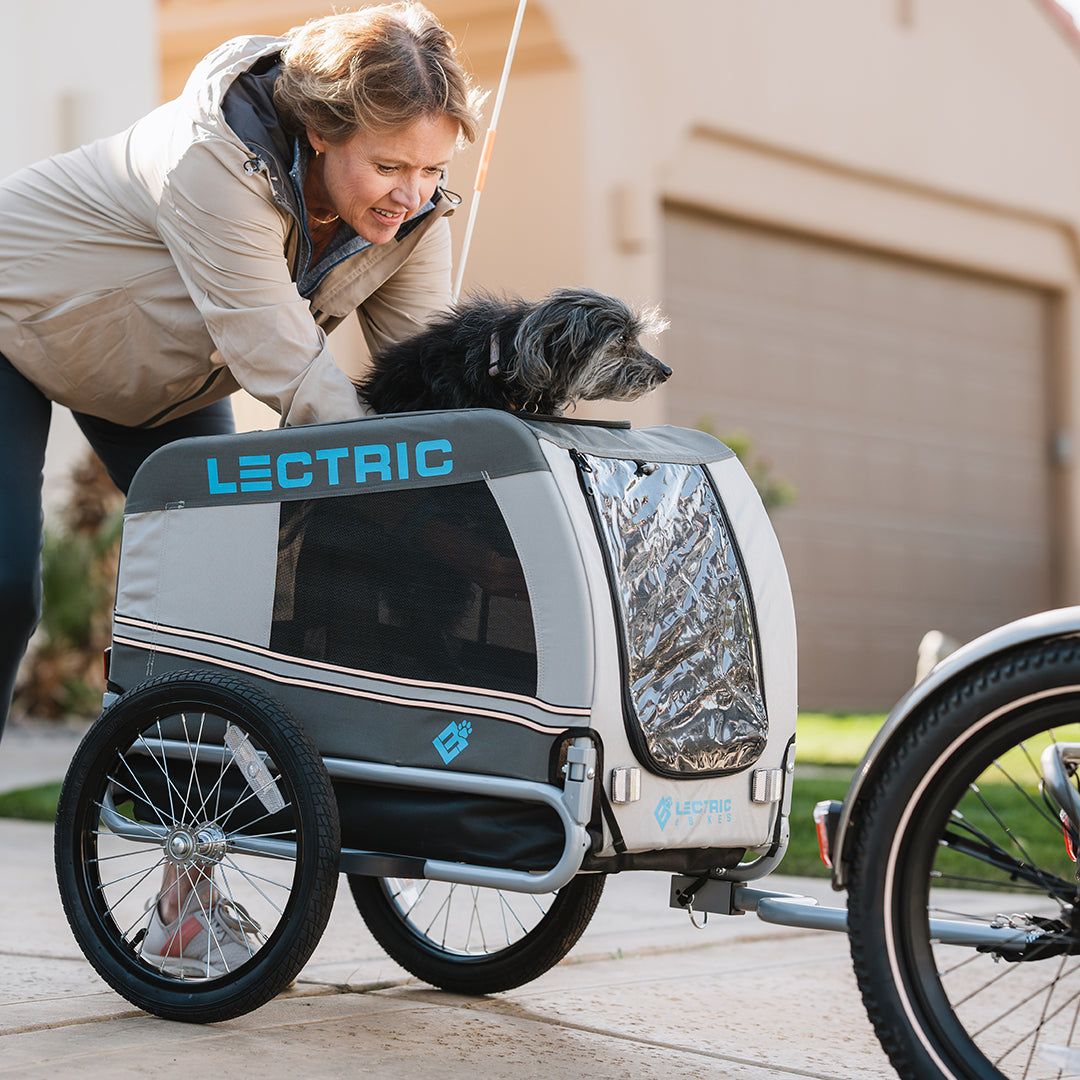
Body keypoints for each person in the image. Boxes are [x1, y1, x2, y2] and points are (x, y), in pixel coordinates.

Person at [0, 2, 484, 974]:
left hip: (155, 375)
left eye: (433, 169)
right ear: (321, 130)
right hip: (16, 324)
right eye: (390, 165)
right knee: (6, 586)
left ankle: (185, 904)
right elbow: (288, 369)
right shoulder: (211, 161)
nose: (412, 193)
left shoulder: (411, 216)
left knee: (226, 620)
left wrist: (475, 481)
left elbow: (424, 387)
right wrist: (395, 490)